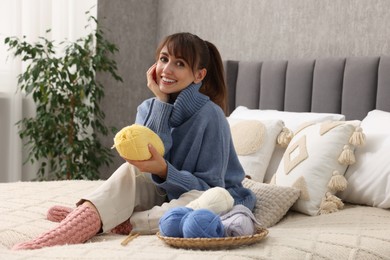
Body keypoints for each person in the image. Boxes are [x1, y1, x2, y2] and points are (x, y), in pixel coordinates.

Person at [12, 32, 256, 250]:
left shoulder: (212, 117)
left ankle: (115, 220)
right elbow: (145, 161)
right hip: (165, 191)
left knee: (198, 203)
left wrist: (163, 170)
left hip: (211, 193)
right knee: (131, 171)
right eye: (163, 59)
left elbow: (209, 187)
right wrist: (161, 102)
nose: (167, 69)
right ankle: (82, 221)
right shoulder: (149, 108)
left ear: (199, 75)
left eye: (179, 64)